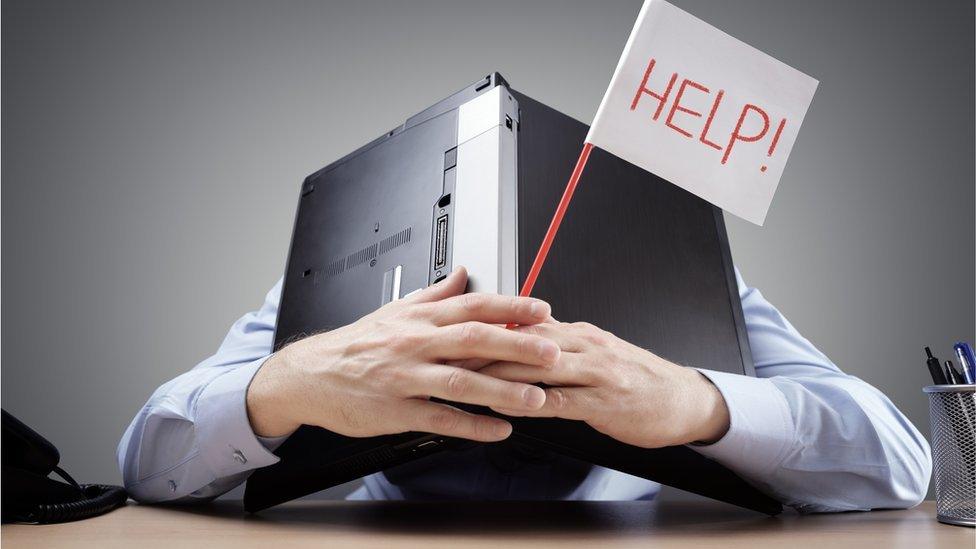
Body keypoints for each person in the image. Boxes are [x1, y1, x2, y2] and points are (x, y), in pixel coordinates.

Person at [117, 267, 931, 512]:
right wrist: (287, 381)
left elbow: (897, 462)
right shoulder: (340, 299)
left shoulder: (704, 286)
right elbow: (147, 463)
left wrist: (697, 402)